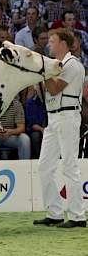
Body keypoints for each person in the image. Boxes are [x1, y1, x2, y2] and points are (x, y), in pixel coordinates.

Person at [34, 28, 86, 228]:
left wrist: (43, 71)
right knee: (44, 167)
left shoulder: (73, 65)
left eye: (53, 41)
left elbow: (55, 88)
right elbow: (48, 92)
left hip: (67, 116)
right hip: (53, 118)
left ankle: (77, 216)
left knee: (69, 166)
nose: (49, 44)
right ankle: (54, 212)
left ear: (63, 44)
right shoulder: (58, 65)